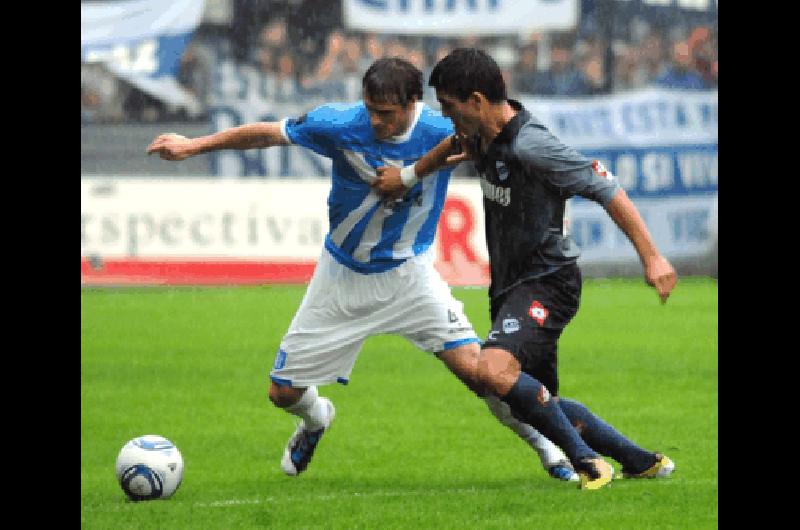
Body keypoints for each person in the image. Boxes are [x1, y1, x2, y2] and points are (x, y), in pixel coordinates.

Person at [146, 57, 580, 483]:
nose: (375, 121)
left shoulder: (442, 129)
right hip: (341, 275)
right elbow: (265, 135)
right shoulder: (337, 123)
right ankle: (317, 420)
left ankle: (548, 449)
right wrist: (193, 145)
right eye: (370, 110)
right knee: (282, 394)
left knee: (481, 374)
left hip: (410, 277)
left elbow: (499, 142)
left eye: (386, 114)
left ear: (414, 103)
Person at [372, 48, 678, 489]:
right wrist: (406, 177)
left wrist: (653, 257)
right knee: (535, 401)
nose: (447, 118)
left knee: (491, 370)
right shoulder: (478, 134)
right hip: (511, 285)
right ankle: (642, 461)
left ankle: (588, 463)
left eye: (450, 108)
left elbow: (606, 187)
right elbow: (453, 146)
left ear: (476, 101)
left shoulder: (532, 145)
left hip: (548, 282)